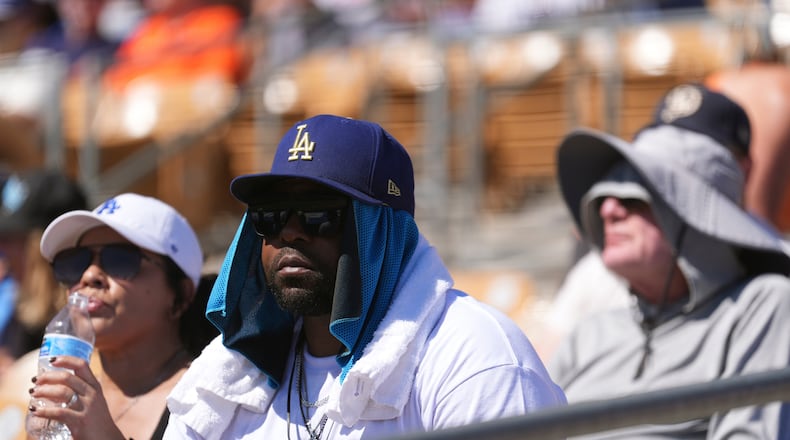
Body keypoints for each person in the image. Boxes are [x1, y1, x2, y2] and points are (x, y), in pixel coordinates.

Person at [164, 114, 566, 439]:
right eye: (270, 215)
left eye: (318, 213)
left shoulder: (472, 356)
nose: (289, 232)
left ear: (383, 231)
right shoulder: (229, 377)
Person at [547, 85, 790, 437]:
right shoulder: (588, 335)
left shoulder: (761, 306)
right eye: (603, 196)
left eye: (634, 197)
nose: (608, 209)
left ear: (696, 219)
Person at [541, 83, 754, 359]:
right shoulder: (595, 278)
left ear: (741, 169)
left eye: (640, 193)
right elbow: (542, 364)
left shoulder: (766, 299)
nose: (609, 209)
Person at [24, 192, 218, 440]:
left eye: (120, 260)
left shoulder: (213, 401)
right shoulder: (61, 394)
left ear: (181, 295)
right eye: (74, 262)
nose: (89, 276)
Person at [0, 169, 88, 374]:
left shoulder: (86, 325)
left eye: (10, 239)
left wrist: (15, 375)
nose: (2, 250)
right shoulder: (22, 309)